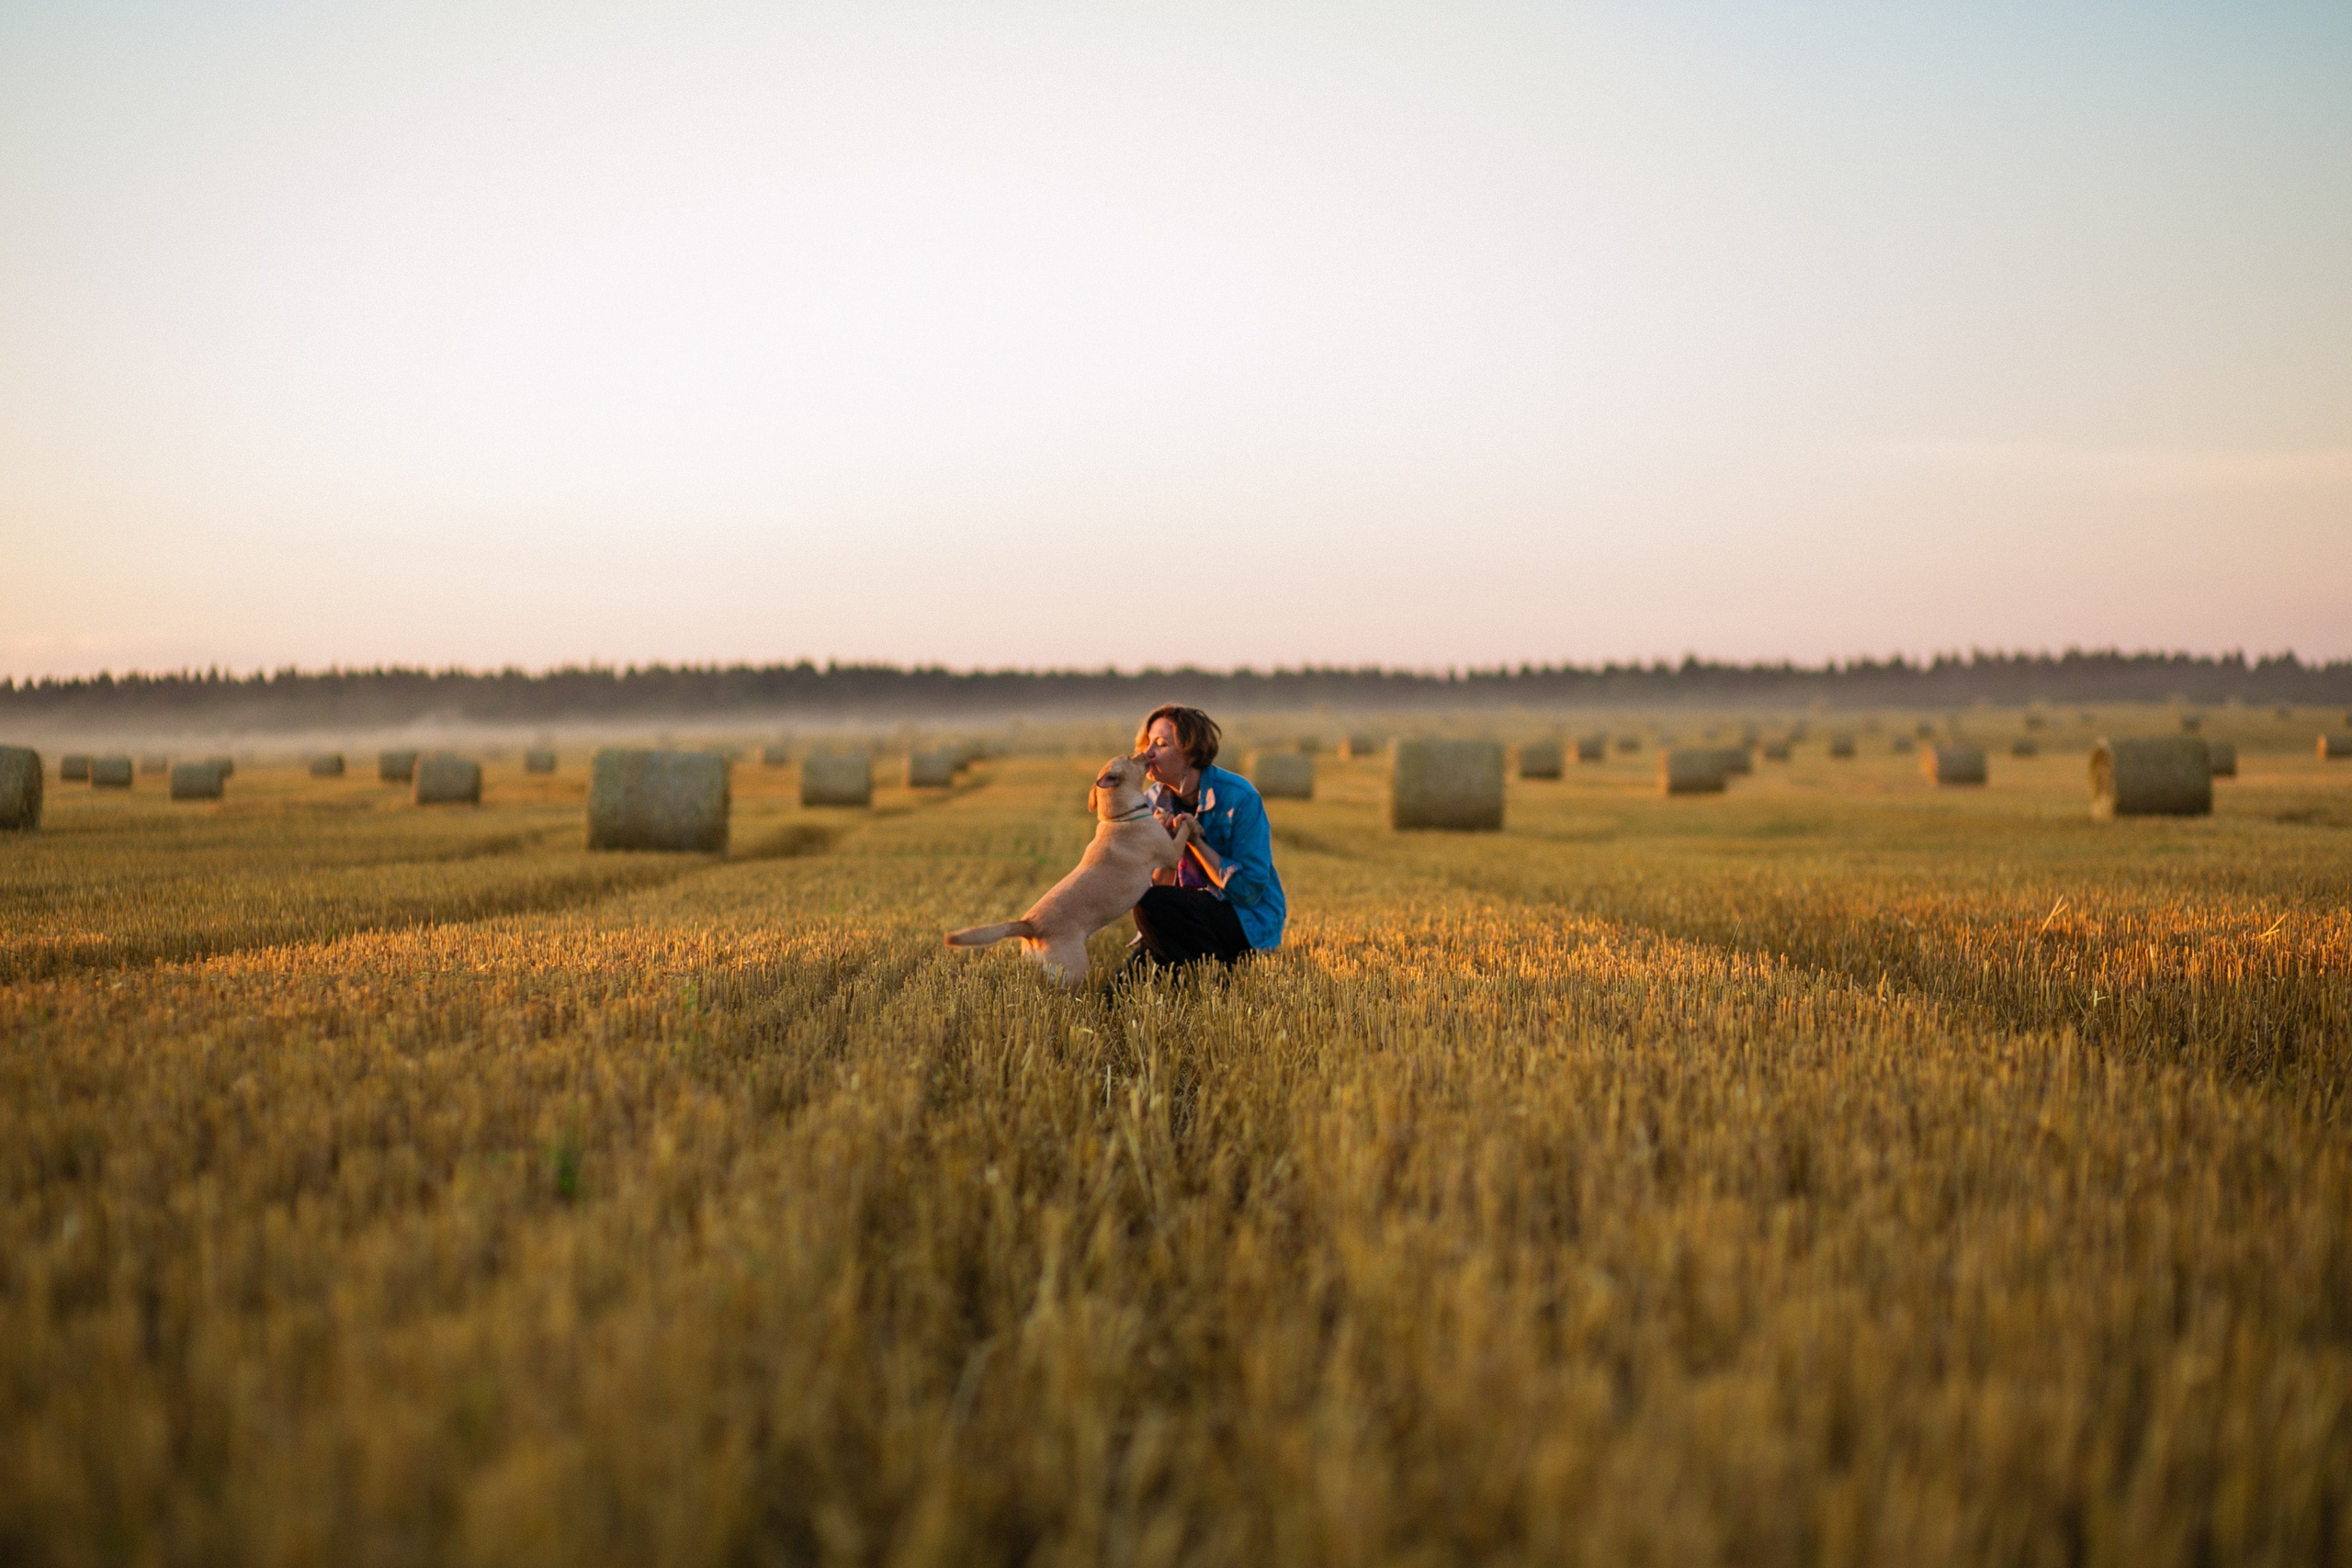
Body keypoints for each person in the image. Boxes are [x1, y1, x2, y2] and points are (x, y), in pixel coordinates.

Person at [1126, 705, 1285, 970]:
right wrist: (1165, 846)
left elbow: (1248, 891)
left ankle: (1216, 972)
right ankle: (1198, 970)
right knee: (1122, 983)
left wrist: (1196, 843)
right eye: (1147, 743)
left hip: (1241, 918)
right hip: (1186, 917)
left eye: (1161, 744)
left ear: (1190, 753)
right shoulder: (1151, 802)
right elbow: (1156, 888)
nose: (1147, 753)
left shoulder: (1240, 798)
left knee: (1152, 908)